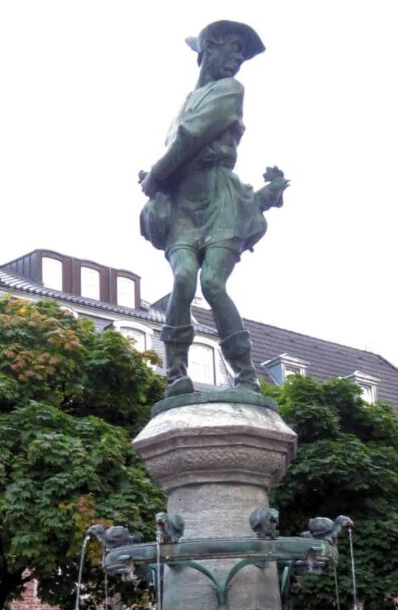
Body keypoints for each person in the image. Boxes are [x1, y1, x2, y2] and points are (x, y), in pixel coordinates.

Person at [139, 20, 289, 396]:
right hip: (183, 206)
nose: (238, 58)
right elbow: (180, 142)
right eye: (233, 47)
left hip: (220, 200)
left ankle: (245, 374)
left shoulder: (231, 91)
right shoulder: (186, 102)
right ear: (209, 48)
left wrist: (154, 175)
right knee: (183, 277)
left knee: (212, 283)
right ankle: (175, 372)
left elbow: (191, 137)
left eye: (243, 52)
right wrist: (159, 180)